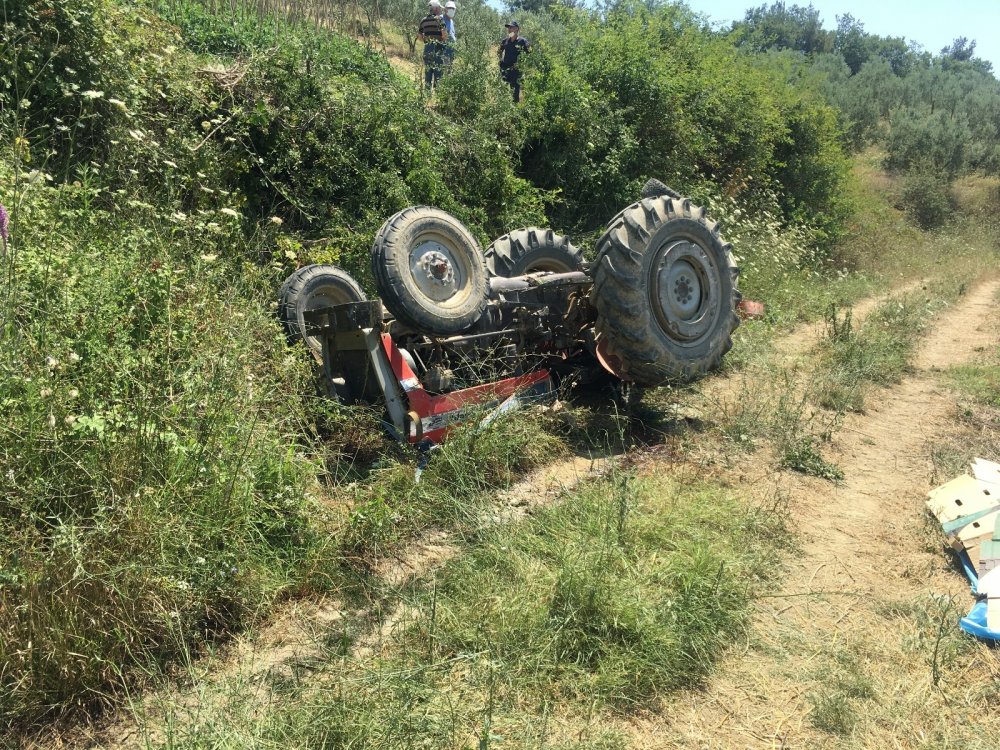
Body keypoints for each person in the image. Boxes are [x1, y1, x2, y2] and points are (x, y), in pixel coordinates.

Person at [498, 20, 530, 103]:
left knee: (515, 91)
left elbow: (529, 53)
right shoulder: (505, 41)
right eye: (508, 27)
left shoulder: (522, 41)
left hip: (516, 70)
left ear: (517, 29)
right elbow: (499, 51)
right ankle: (503, 107)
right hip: (505, 68)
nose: (509, 29)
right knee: (503, 89)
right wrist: (500, 60)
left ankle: (515, 111)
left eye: (511, 27)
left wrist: (520, 63)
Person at [418, 0, 447, 92]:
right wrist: (442, 40)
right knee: (438, 72)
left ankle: (427, 94)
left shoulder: (423, 20)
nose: (440, 10)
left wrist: (427, 41)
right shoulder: (439, 19)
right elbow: (444, 34)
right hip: (438, 47)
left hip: (427, 48)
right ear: (435, 8)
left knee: (428, 72)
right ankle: (438, 95)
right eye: (439, 8)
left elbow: (419, 36)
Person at [442, 1, 457, 70]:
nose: (452, 10)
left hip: (451, 51)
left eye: (453, 8)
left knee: (449, 70)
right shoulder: (441, 18)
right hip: (444, 52)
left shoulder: (451, 21)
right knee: (444, 71)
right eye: (450, 8)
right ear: (445, 9)